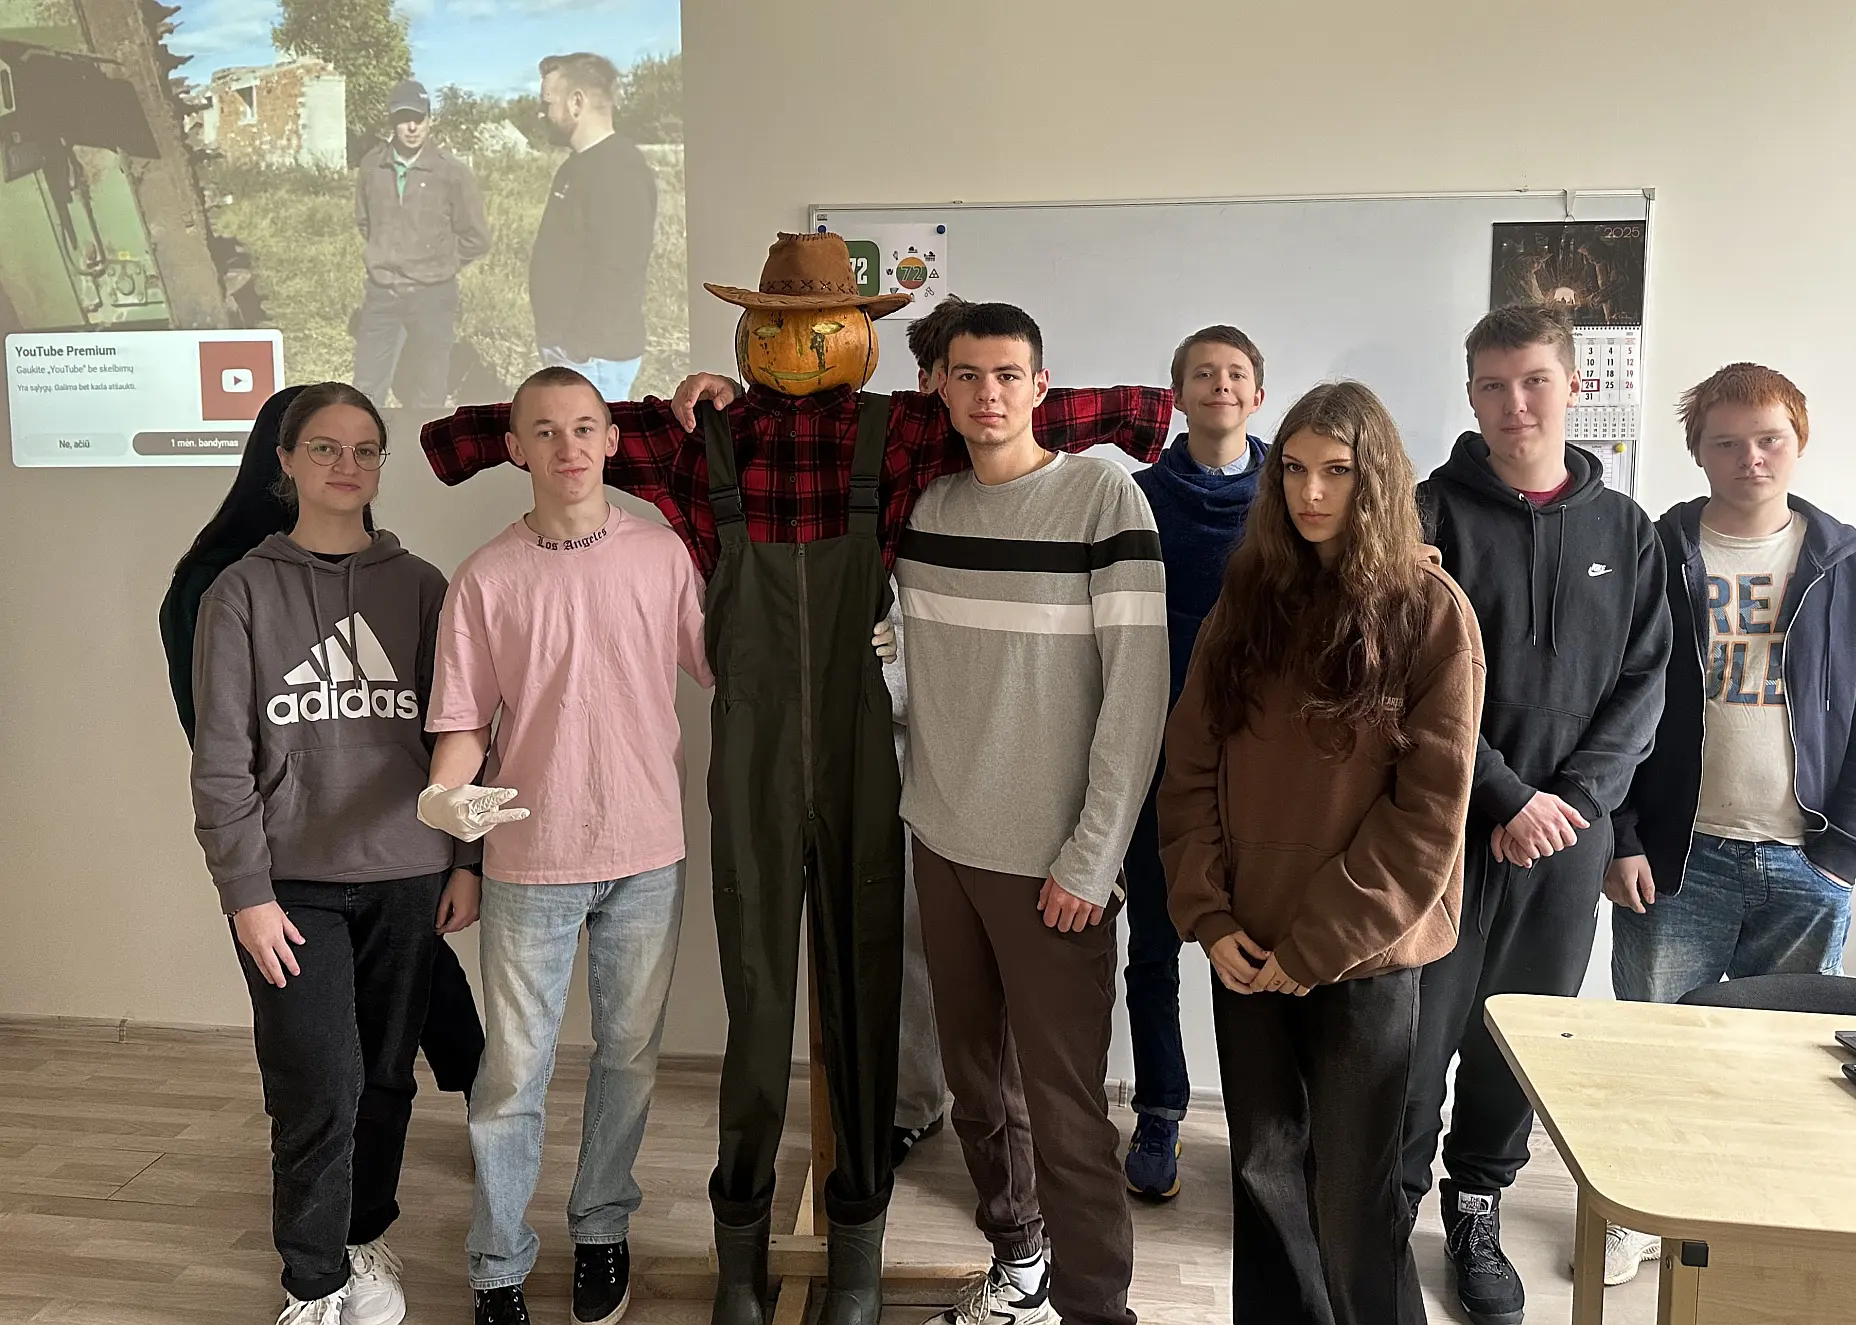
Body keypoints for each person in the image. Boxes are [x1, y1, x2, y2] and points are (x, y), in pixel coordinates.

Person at [419, 232, 1170, 1325]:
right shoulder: (701, 439)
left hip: (870, 760)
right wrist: (458, 442)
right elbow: (551, 425)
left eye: (824, 324)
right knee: (759, 1008)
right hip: (755, 759)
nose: (803, 342)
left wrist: (1171, 417)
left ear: (861, 332)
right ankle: (741, 1254)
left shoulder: (902, 429)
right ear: (749, 331)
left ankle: (856, 1250)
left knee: (866, 1012)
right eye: (779, 324)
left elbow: (1016, 406)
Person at [1160, 380, 1483, 1325]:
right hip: (1246, 946)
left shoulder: (1430, 610)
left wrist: (1315, 946)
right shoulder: (1247, 599)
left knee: (1354, 1204)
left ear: (1373, 479)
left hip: (1361, 955)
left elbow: (1427, 817)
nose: (1310, 492)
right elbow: (1190, 767)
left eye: (1336, 472)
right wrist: (1209, 916)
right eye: (1294, 469)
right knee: (1263, 1182)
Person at [1597, 363, 1856, 1282]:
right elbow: (1613, 700)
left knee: (1789, 1065)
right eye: (1726, 442)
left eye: (1769, 438)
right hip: (1675, 859)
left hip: (1805, 862)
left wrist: (1846, 851)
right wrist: (1622, 836)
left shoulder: (1851, 562)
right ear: (1697, 452)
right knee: (1657, 1048)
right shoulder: (1656, 550)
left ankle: (1761, 1224)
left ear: (1798, 440)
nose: (1750, 458)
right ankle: (1641, 1209)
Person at [896, 302, 1169, 1325]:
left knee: (1065, 1111)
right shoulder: (926, 509)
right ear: (940, 387)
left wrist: (1091, 859)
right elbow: (920, 664)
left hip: (1056, 865)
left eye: (1008, 374)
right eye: (967, 374)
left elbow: (1136, 694)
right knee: (976, 1089)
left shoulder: (1102, 496)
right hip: (942, 842)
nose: (988, 393)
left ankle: (1099, 1308)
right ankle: (1020, 1267)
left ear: (1041, 386)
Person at [418, 366, 708, 1325]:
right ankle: (496, 1262)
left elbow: (726, 665)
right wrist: (445, 797)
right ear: (515, 449)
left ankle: (602, 1227)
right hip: (529, 858)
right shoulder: (485, 577)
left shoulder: (662, 554)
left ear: (613, 440)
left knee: (629, 1056)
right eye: (544, 430)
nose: (568, 445)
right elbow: (463, 720)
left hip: (646, 849)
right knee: (512, 1071)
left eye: (585, 426)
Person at [1399, 302, 1670, 1325]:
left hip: (1566, 843)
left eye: (1535, 381)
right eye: (1494, 385)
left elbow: (1644, 683)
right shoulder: (1425, 515)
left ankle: (1477, 1210)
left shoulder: (1628, 530)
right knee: (1415, 1039)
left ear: (1573, 386)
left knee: (1517, 1039)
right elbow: (1407, 680)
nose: (1516, 403)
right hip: (1442, 831)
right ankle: (1386, 1211)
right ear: (1470, 395)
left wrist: (1572, 803)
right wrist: (1506, 795)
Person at [188, 382, 482, 1325]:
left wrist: (465, 861)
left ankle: (362, 1238)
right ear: (285, 460)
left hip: (407, 873)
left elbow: (461, 730)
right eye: (324, 447)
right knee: (317, 1082)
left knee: (387, 1078)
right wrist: (245, 892)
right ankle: (312, 1283)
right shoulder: (239, 592)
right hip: (289, 888)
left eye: (364, 449)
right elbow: (221, 758)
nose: (345, 465)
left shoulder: (422, 586)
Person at [1119, 324, 1269, 1201]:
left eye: (1236, 373)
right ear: (1177, 395)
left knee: (1253, 946)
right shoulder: (1136, 498)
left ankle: (1262, 1124)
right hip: (1153, 757)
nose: (1220, 384)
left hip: (1257, 769)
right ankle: (1160, 1111)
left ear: (1258, 393)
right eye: (1203, 373)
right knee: (1152, 949)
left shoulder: (1292, 496)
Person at [883, 296, 976, 1169]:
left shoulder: (1034, 482)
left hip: (1003, 749)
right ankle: (915, 1098)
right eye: (951, 373)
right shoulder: (899, 475)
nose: (972, 392)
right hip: (905, 745)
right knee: (910, 937)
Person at [353, 80, 491, 410]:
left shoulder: (451, 172)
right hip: (382, 292)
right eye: (404, 119)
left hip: (433, 295)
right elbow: (365, 221)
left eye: (419, 118)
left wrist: (440, 266)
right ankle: (368, 440)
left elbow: (476, 237)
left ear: (430, 120)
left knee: (429, 388)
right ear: (392, 122)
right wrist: (388, 254)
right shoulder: (372, 167)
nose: (412, 127)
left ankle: (422, 443)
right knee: (367, 386)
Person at [529, 53, 657, 401]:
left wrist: (580, 347)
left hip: (593, 358)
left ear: (576, 102)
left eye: (546, 103)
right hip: (573, 353)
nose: (540, 113)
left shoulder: (618, 169)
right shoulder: (576, 167)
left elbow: (619, 269)